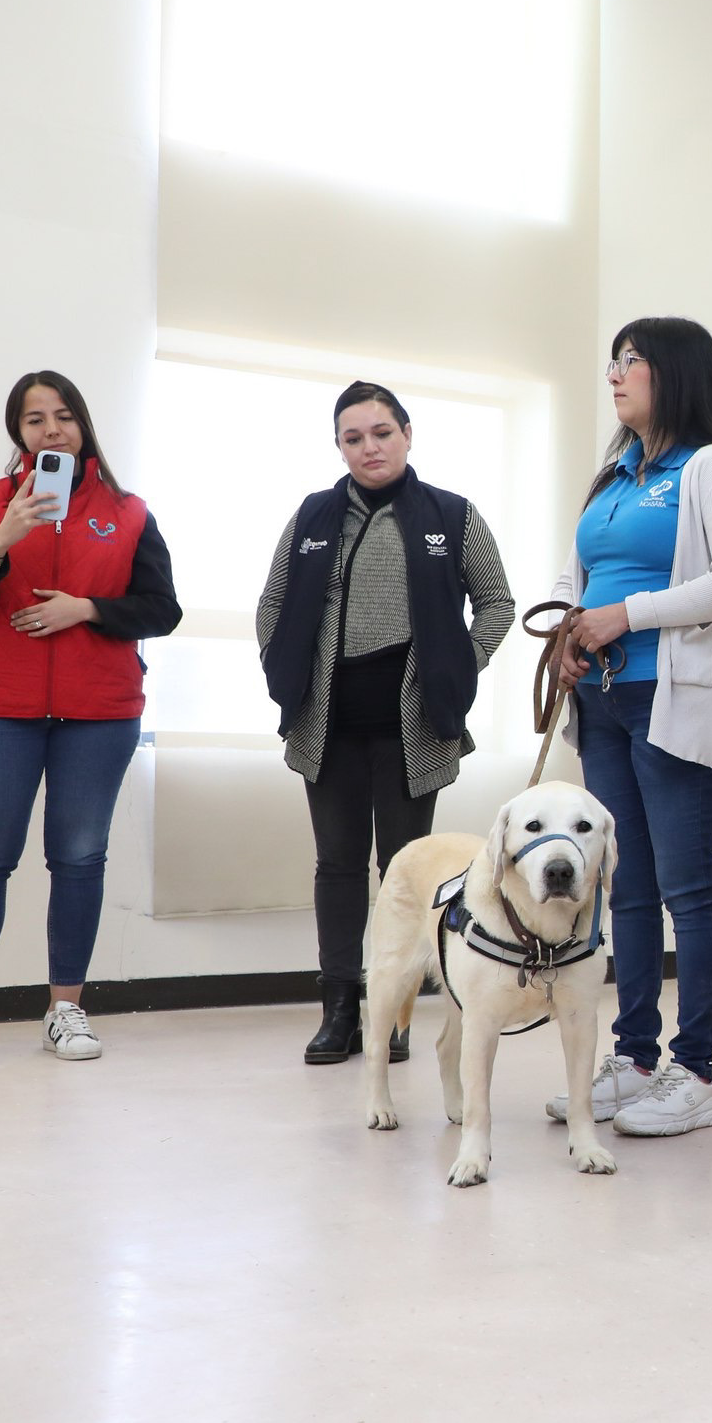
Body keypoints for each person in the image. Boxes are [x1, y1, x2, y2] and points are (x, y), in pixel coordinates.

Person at [540, 317, 712, 1137]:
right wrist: (571, 630)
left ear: (675, 373)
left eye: (632, 362)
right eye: (613, 361)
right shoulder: (612, 477)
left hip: (676, 696)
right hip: (601, 699)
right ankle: (634, 1059)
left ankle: (696, 1073)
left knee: (687, 885)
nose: (615, 375)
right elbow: (577, 575)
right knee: (625, 885)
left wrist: (623, 616)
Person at [0, 371, 182, 1066]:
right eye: (35, 420)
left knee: (78, 859)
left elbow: (163, 609)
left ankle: (66, 1008)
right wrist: (1, 539)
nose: (52, 429)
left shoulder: (127, 512)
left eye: (63, 415)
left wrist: (87, 609)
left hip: (98, 713)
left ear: (83, 424)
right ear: (19, 434)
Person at [257, 381, 514, 1065]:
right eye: (353, 437)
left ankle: (393, 1013)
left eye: (381, 432)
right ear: (339, 446)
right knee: (337, 867)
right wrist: (283, 669)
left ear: (407, 434)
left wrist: (461, 664)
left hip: (413, 727)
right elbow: (274, 602)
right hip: (328, 727)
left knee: (404, 874)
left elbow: (497, 602)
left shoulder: (451, 515)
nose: (369, 447)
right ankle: (339, 1008)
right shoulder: (314, 516)